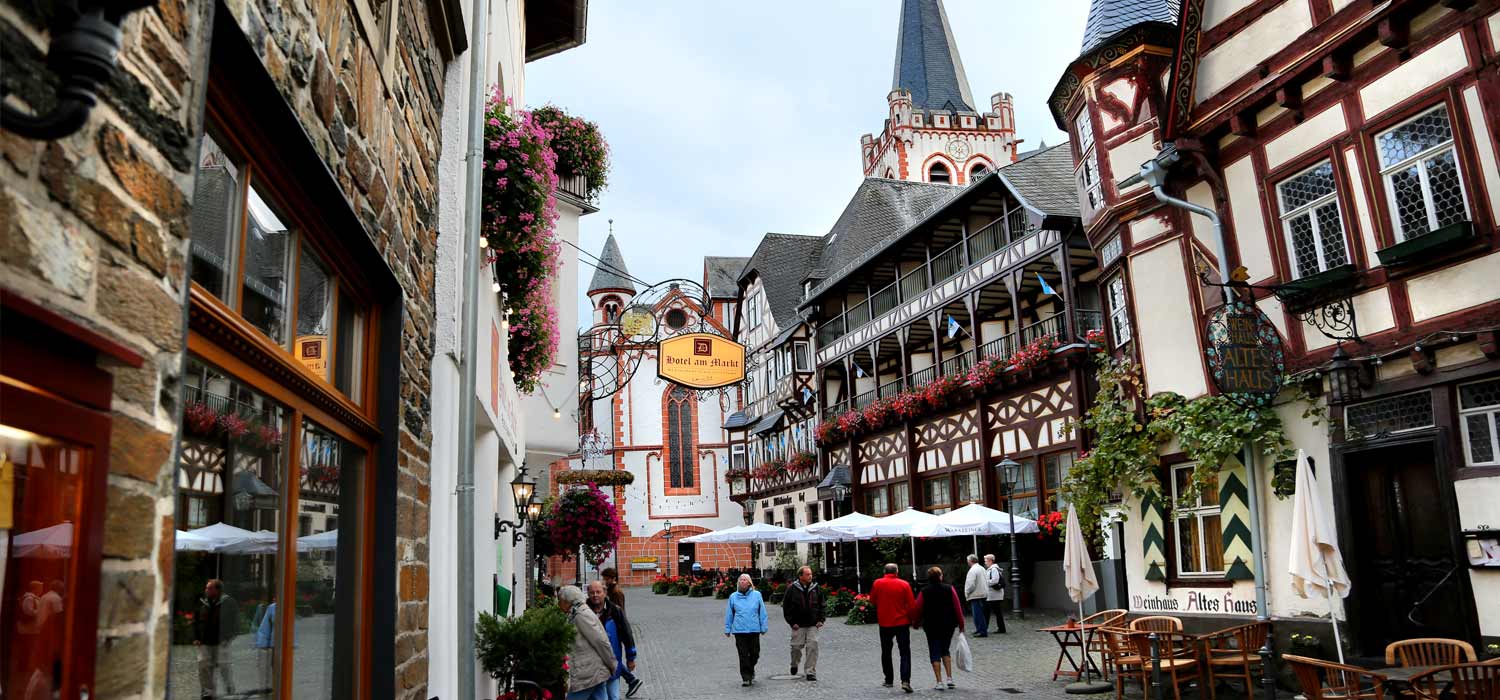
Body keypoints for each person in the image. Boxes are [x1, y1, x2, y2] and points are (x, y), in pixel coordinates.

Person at [558, 585, 617, 700]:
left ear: (568, 601)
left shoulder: (581, 615)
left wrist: (612, 663)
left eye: (560, 601)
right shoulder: (575, 613)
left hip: (588, 674)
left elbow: (601, 641)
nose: (559, 604)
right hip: (592, 672)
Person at [913, 566, 965, 691]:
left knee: (934, 651)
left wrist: (915, 623)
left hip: (931, 625)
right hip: (948, 624)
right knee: (945, 650)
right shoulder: (949, 589)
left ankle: (939, 682)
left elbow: (917, 608)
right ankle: (950, 678)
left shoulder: (924, 591)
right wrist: (961, 624)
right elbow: (957, 607)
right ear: (940, 576)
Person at [869, 563, 916, 693]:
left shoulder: (878, 583)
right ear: (897, 571)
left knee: (886, 651)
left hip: (885, 622)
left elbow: (872, 600)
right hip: (902, 622)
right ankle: (905, 680)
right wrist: (913, 620)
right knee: (905, 652)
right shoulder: (904, 584)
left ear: (885, 571)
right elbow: (911, 604)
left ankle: (889, 679)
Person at [587, 581, 637, 700]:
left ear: (604, 593)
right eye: (592, 592)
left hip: (612, 661)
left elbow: (627, 635)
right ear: (588, 594)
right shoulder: (584, 612)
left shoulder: (615, 611)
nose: (595, 595)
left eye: (598, 592)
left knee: (614, 696)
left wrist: (631, 658)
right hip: (593, 665)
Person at [600, 568, 644, 698]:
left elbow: (619, 612)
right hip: (613, 627)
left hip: (616, 628)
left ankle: (631, 679)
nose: (605, 581)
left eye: (606, 578)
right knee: (612, 657)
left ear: (613, 578)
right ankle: (631, 680)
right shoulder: (611, 591)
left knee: (613, 657)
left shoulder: (617, 592)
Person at [193, 579, 241, 699]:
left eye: (209, 588)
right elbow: (195, 621)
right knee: (204, 668)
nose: (206, 590)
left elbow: (236, 623)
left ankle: (229, 689)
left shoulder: (229, 602)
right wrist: (196, 637)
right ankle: (207, 693)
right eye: (206, 588)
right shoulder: (202, 603)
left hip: (222, 642)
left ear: (217, 590)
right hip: (204, 642)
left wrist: (229, 637)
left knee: (224, 667)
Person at [722, 573, 768, 687]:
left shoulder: (757, 595)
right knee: (743, 655)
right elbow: (729, 614)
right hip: (739, 630)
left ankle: (751, 668)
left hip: (754, 629)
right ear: (738, 583)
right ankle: (746, 677)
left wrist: (763, 627)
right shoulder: (733, 597)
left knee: (755, 654)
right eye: (741, 580)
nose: (742, 581)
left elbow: (762, 612)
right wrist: (727, 628)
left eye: (745, 580)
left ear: (749, 583)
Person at [781, 566, 826, 681]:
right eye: (807, 574)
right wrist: (791, 622)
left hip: (813, 624)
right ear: (800, 576)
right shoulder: (792, 589)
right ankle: (794, 663)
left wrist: (821, 619)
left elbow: (822, 605)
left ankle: (810, 672)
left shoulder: (816, 588)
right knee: (796, 647)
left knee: (813, 645)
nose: (810, 576)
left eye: (811, 574)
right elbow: (786, 607)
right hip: (798, 624)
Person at [253, 593, 278, 693]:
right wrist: (262, 643)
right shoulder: (271, 608)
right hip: (273, 643)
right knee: (272, 665)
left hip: (283, 644)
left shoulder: (288, 608)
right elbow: (265, 628)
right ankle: (270, 686)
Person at [963, 554, 989, 638]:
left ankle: (982, 631)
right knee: (981, 614)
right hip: (983, 593)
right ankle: (980, 630)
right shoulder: (982, 568)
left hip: (976, 595)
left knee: (977, 614)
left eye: (968, 561)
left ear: (970, 561)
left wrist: (967, 592)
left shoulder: (973, 570)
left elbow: (971, 584)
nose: (967, 562)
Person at [983, 554, 1008, 634]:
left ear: (990, 561)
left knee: (989, 612)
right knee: (996, 612)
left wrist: (985, 582)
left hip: (994, 595)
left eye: (986, 560)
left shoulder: (993, 569)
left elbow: (995, 580)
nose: (985, 562)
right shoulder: (992, 569)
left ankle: (985, 628)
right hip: (993, 595)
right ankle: (1001, 628)